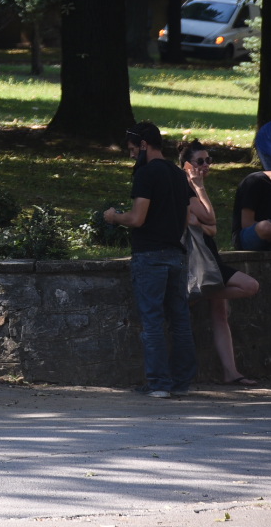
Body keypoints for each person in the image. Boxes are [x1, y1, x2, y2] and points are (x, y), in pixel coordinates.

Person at [103, 120, 198, 398]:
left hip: (150, 256)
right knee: (180, 320)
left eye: (133, 149)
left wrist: (113, 217)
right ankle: (181, 383)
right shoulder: (178, 174)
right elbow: (184, 218)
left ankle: (158, 384)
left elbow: (137, 218)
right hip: (176, 255)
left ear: (144, 145)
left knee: (153, 320)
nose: (131, 154)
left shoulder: (147, 173)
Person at [180, 141, 261, 385]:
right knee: (250, 286)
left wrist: (201, 221)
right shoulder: (187, 190)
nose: (206, 165)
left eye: (208, 160)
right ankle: (198, 293)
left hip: (209, 254)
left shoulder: (195, 189)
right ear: (187, 166)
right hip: (198, 257)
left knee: (220, 313)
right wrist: (200, 189)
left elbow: (212, 228)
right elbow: (211, 218)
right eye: (200, 161)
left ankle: (231, 372)